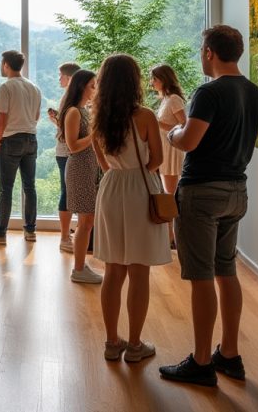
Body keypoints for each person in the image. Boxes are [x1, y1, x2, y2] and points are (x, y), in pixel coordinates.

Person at [160, 25, 258, 387]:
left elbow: (188, 141)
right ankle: (230, 354)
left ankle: (202, 362)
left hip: (202, 192)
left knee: (202, 276)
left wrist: (172, 133)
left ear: (209, 52)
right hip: (238, 189)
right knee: (226, 271)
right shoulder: (256, 93)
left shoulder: (208, 92)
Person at [92, 54, 171, 363]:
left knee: (113, 270)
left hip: (111, 189)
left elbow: (102, 163)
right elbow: (157, 161)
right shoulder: (146, 116)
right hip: (140, 189)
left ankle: (112, 342)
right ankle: (135, 346)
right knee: (139, 271)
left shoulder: (97, 118)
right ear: (133, 81)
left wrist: (119, 168)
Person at [0, 50, 42, 245]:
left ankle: (0, 233)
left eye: (2, 63)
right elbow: (36, 116)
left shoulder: (6, 87)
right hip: (31, 138)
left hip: (11, 139)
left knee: (5, 190)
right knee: (29, 186)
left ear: (6, 64)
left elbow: (2, 117)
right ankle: (30, 231)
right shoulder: (34, 88)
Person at [60, 69, 102, 284]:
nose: (95, 89)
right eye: (92, 85)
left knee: (87, 220)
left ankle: (80, 265)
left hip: (89, 167)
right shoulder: (74, 112)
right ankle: (78, 268)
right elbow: (73, 146)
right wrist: (95, 134)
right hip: (79, 168)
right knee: (85, 221)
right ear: (82, 87)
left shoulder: (85, 111)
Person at [150, 64, 187, 249]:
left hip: (173, 150)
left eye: (154, 79)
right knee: (167, 194)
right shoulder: (165, 99)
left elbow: (184, 125)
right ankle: (169, 237)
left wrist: (158, 124)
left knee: (170, 196)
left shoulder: (173, 99)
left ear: (163, 79)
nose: (152, 83)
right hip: (166, 148)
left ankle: (172, 238)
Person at [49, 62, 80, 253]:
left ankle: (67, 235)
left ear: (69, 78)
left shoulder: (70, 99)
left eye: (61, 75)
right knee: (67, 191)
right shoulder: (70, 99)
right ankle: (64, 236)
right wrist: (57, 121)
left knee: (68, 191)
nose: (59, 78)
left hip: (67, 151)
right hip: (66, 151)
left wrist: (57, 121)